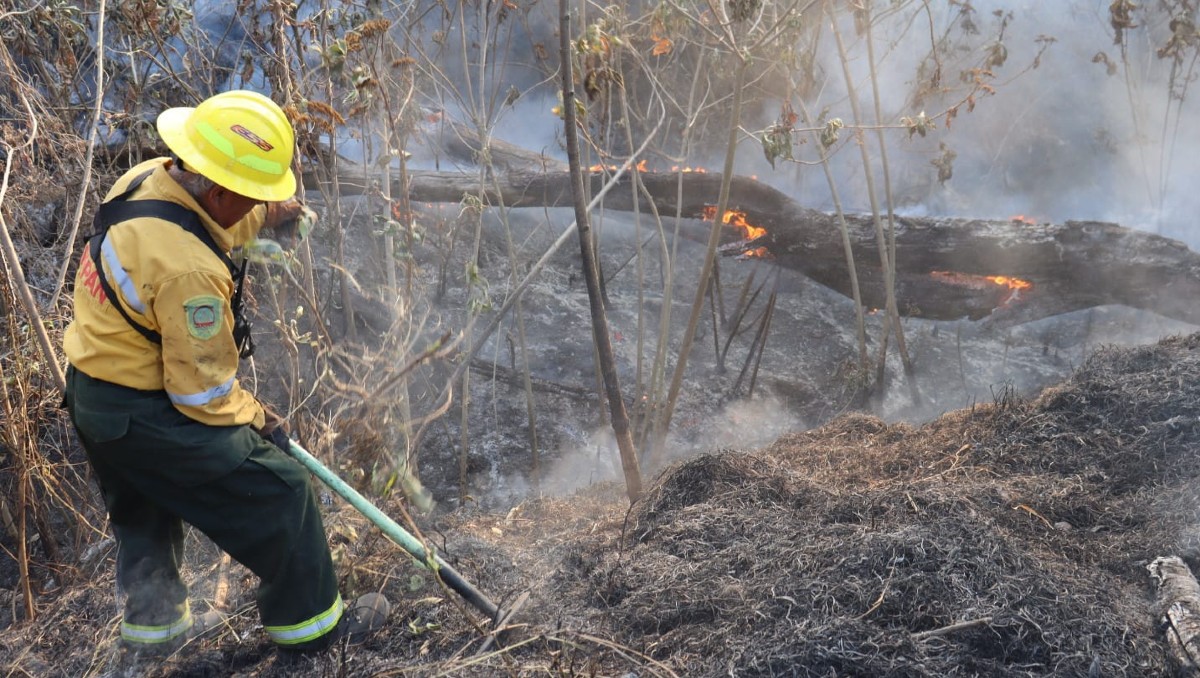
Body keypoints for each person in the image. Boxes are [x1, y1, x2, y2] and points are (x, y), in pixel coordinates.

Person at [62, 90, 389, 656]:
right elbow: (204, 394)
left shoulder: (147, 180)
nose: (257, 204)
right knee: (284, 493)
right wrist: (260, 419)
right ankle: (315, 633)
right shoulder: (189, 274)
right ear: (219, 190)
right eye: (252, 197)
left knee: (145, 508)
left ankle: (154, 636)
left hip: (94, 397)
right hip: (146, 412)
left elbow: (200, 219)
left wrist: (267, 213)